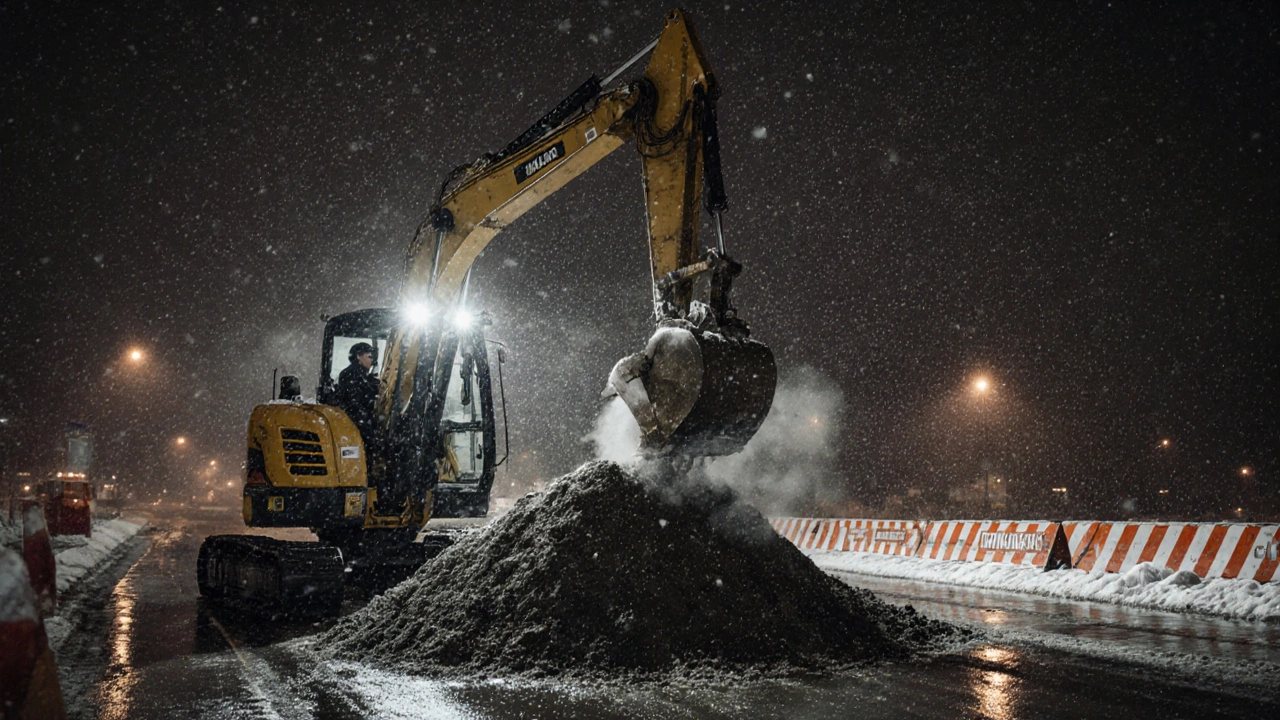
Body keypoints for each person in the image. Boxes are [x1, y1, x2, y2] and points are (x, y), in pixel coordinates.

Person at [337, 342, 380, 447]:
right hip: (356, 421)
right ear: (358, 356)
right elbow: (355, 401)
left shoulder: (363, 375)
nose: (372, 360)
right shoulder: (351, 374)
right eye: (369, 356)